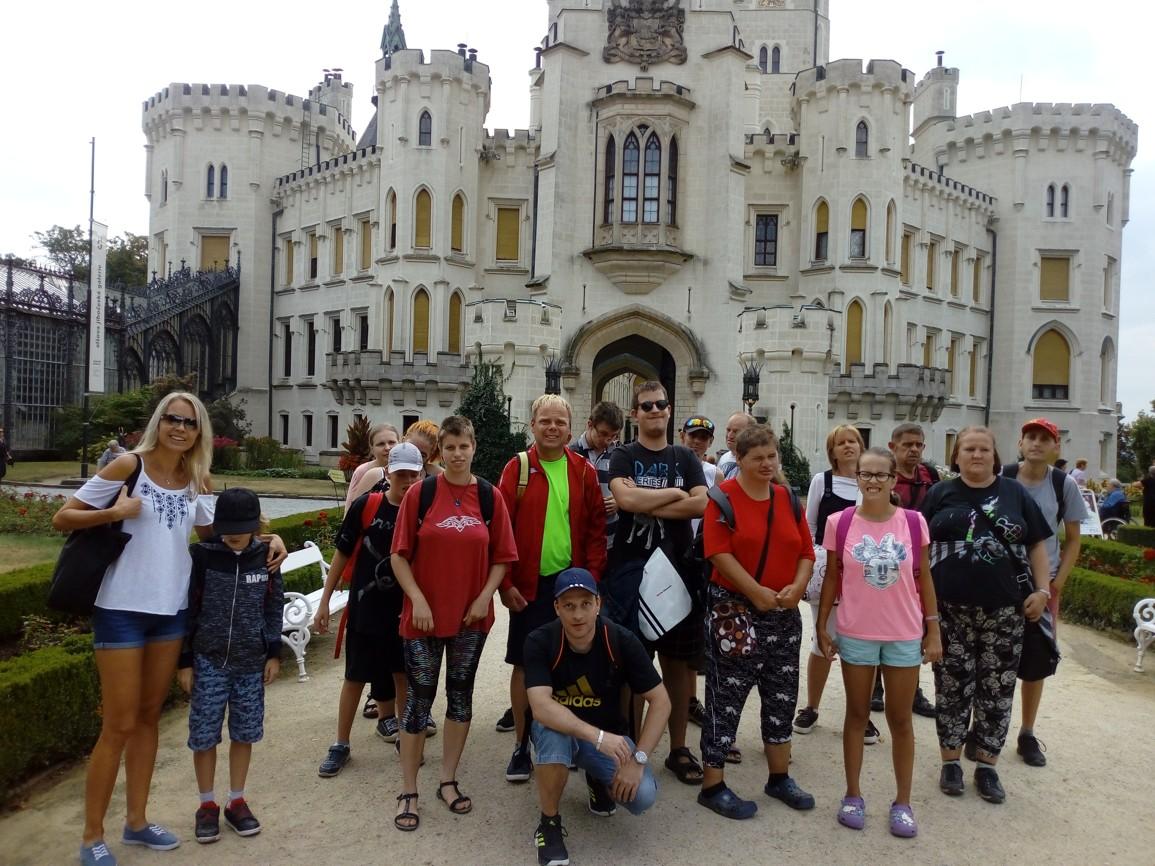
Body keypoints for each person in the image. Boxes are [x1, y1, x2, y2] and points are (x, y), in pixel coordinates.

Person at [52, 392, 286, 866]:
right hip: (121, 609)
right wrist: (113, 514)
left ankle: (137, 822)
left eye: (190, 422)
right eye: (173, 419)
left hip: (171, 612)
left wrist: (270, 539)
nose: (180, 428)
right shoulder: (128, 467)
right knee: (118, 724)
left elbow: (222, 539)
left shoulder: (197, 479)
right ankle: (92, 835)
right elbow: (63, 517)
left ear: (199, 432)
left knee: (147, 719)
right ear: (159, 422)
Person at [389, 415, 518, 831]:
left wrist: (484, 597)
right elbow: (399, 555)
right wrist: (417, 599)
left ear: (474, 448)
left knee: (460, 697)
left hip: (470, 618)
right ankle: (409, 789)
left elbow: (503, 557)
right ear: (439, 452)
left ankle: (447, 779)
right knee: (419, 700)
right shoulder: (421, 494)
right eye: (450, 448)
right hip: (424, 618)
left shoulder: (489, 496)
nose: (457, 454)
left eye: (464, 447)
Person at [921, 426, 1051, 804]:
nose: (976, 455)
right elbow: (919, 547)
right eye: (969, 449)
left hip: (1005, 611)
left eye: (984, 449)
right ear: (957, 455)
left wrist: (1043, 591)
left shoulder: (1015, 493)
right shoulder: (939, 494)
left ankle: (987, 766)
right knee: (951, 688)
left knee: (996, 690)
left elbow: (1037, 544)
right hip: (949, 611)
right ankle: (950, 762)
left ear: (995, 455)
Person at [817, 447, 941, 837]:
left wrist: (933, 629)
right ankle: (853, 794)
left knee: (900, 720)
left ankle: (902, 801)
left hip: (903, 632)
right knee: (857, 715)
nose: (872, 481)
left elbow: (924, 578)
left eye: (880, 475)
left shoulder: (914, 522)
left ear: (893, 479)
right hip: (857, 631)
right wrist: (822, 624)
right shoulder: (839, 522)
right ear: (856, 478)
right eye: (865, 474)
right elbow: (833, 578)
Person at [697, 425, 816, 820]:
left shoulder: (787, 498)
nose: (767, 464)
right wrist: (754, 591)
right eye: (757, 458)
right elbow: (718, 552)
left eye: (771, 456)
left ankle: (779, 777)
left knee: (782, 693)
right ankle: (713, 784)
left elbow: (805, 550)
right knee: (726, 695)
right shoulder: (723, 498)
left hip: (783, 610)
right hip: (734, 611)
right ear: (740, 459)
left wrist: (798, 586)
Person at [525, 568, 670, 866]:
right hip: (566, 733)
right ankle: (549, 824)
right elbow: (540, 706)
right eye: (569, 605)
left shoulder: (621, 640)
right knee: (552, 733)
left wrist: (638, 759)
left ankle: (595, 777)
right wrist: (598, 737)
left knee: (642, 796)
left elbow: (661, 701)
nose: (578, 614)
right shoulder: (540, 641)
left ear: (598, 604)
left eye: (585, 604)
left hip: (606, 738)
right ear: (556, 608)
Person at [496, 394, 606, 787]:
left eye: (560, 421)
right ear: (533, 425)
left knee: (570, 665)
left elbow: (595, 530)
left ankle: (566, 742)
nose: (553, 427)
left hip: (571, 587)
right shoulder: (518, 468)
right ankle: (521, 745)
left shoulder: (582, 471)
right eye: (545, 421)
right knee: (525, 664)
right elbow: (500, 529)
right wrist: (506, 583)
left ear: (571, 429)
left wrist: (591, 580)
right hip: (529, 587)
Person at [604, 381, 707, 786]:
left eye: (660, 404)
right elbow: (626, 502)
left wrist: (649, 498)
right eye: (645, 406)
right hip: (630, 574)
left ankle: (678, 748)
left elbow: (702, 503)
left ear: (669, 409)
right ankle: (630, 748)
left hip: (678, 574)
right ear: (635, 414)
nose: (654, 410)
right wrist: (676, 493)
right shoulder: (623, 455)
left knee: (676, 669)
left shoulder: (685, 456)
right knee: (632, 668)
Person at [313, 442, 425, 778]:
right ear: (387, 472)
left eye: (413, 475)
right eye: (401, 474)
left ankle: (405, 737)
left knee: (403, 676)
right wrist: (325, 601)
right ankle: (341, 743)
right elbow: (342, 553)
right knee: (354, 677)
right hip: (366, 608)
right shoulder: (368, 505)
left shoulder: (424, 510)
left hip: (404, 611)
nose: (407, 481)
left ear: (421, 475)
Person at [178, 488, 282, 844]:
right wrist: (185, 660)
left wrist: (273, 653)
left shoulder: (267, 557)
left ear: (256, 525)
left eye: (241, 528)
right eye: (227, 528)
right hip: (208, 661)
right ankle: (206, 804)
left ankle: (236, 800)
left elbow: (274, 607)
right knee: (204, 734)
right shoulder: (202, 556)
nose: (233, 535)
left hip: (251, 663)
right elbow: (188, 608)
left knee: (245, 733)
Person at [1001, 418, 1087, 768]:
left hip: (1042, 583)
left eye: (1044, 439)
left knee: (1035, 660)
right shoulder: (1004, 476)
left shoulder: (1063, 484)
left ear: (1056, 447)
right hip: (1000, 579)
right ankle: (986, 727)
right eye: (1030, 437)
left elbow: (1074, 538)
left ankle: (1027, 732)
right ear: (1020, 444)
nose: (1036, 443)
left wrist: (1056, 583)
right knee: (992, 655)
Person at [795, 425, 878, 742]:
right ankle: (812, 707)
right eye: (840, 442)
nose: (847, 446)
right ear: (832, 450)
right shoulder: (822, 481)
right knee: (822, 641)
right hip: (828, 571)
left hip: (863, 575)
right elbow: (809, 526)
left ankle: (861, 714)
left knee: (863, 647)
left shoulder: (870, 482)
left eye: (852, 441)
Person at [875, 423, 939, 718]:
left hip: (920, 560)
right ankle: (875, 686)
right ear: (893, 447)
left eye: (919, 445)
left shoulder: (930, 477)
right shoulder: (883, 477)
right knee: (880, 622)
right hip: (888, 559)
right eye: (907, 445)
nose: (914, 450)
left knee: (914, 626)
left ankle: (911, 689)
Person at [345, 423, 400, 507]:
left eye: (391, 442)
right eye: (381, 444)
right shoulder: (362, 471)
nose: (387, 448)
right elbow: (350, 508)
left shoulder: (408, 470)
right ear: (372, 448)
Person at [716, 412, 753, 480]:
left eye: (735, 431)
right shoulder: (724, 458)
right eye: (728, 430)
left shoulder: (754, 461)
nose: (729, 435)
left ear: (750, 433)